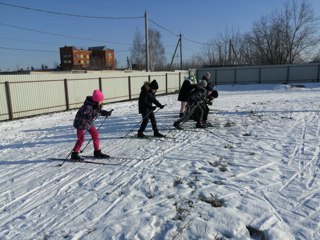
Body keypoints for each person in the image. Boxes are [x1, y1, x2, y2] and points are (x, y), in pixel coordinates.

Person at [71, 89, 113, 160]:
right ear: (97, 100)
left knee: (95, 134)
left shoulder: (93, 104)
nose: (101, 102)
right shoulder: (88, 107)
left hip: (88, 123)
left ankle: (97, 152)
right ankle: (74, 154)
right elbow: (85, 114)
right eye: (101, 100)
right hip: (80, 123)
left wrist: (106, 113)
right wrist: (92, 114)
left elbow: (97, 111)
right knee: (81, 138)